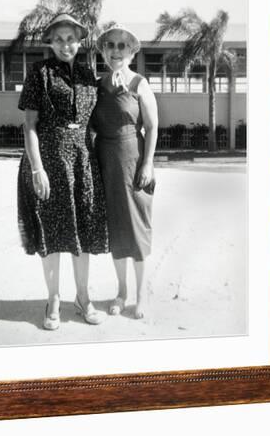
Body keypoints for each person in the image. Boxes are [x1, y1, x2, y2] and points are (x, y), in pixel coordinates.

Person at [17, 13, 108, 330]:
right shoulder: (39, 73)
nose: (65, 44)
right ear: (51, 42)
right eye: (59, 38)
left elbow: (103, 117)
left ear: (79, 41)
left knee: (81, 232)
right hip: (49, 161)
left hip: (83, 163)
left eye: (71, 38)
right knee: (52, 235)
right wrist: (37, 168)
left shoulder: (88, 75)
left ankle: (83, 297)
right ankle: (53, 299)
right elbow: (29, 125)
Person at [91, 23, 159, 319]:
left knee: (137, 229)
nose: (115, 51)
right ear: (104, 51)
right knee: (116, 231)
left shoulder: (139, 83)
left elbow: (153, 125)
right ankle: (121, 292)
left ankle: (141, 295)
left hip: (134, 158)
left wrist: (148, 162)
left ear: (132, 51)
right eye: (110, 45)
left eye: (122, 45)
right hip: (105, 160)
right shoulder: (97, 85)